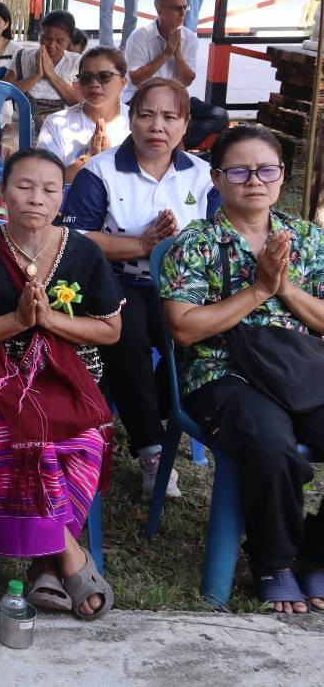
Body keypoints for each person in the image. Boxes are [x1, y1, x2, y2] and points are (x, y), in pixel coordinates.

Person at [0, 148, 122, 620]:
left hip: (68, 374)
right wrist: (16, 322)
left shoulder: (83, 251)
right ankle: (72, 558)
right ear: (3, 192)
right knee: (18, 437)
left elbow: (109, 329)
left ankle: (43, 565)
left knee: (86, 436)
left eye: (49, 189)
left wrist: (51, 320)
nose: (36, 198)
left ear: (62, 198)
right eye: (24, 186)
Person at [160, 125, 324, 614]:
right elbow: (184, 330)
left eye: (267, 169)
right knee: (270, 441)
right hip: (221, 373)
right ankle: (273, 560)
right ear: (217, 178)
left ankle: (316, 553)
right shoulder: (197, 242)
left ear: (282, 177)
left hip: (299, 369)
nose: (254, 180)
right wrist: (256, 290)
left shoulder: (308, 239)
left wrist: (284, 287)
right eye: (239, 170)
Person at [60, 78, 218, 499]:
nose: (157, 126)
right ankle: (152, 452)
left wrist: (175, 250)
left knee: (200, 332)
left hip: (182, 286)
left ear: (185, 125)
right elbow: (77, 240)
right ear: (130, 119)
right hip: (118, 281)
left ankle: (161, 420)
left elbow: (222, 239)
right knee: (125, 332)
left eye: (170, 117)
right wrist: (142, 245)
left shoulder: (202, 176)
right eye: (146, 115)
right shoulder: (102, 170)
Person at [122, 0, 230, 150]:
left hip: (176, 98)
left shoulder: (189, 37)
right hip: (142, 97)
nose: (182, 13)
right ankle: (173, 141)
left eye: (185, 8)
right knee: (145, 118)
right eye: (176, 8)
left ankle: (175, 143)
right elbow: (137, 79)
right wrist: (165, 54)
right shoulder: (140, 36)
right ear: (160, 11)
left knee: (219, 116)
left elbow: (186, 81)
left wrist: (178, 56)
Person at [38, 46, 131, 182]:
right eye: (86, 78)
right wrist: (89, 158)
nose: (94, 84)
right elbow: (47, 181)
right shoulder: (56, 123)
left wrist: (108, 158)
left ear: (122, 83)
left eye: (104, 76)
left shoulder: (136, 122)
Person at [9, 10, 82, 127]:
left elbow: (80, 102)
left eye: (60, 41)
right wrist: (36, 76)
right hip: (23, 127)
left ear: (69, 41)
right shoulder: (22, 56)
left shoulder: (77, 62)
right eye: (47, 39)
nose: (52, 45)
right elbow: (3, 93)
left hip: (64, 128)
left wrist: (51, 75)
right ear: (40, 35)